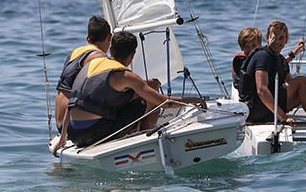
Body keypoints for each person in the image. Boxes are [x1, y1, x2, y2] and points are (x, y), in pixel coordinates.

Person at [56, 31, 205, 152]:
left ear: (111, 49)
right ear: (133, 54)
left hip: (74, 134)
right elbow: (163, 102)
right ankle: (145, 139)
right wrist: (193, 101)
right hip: (94, 135)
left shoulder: (92, 64)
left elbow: (73, 100)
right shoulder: (125, 75)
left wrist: (63, 138)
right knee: (142, 100)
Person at [241, 20, 306, 125]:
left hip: (267, 108)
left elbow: (293, 86)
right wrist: (284, 117)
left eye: (281, 38)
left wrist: (305, 90)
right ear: (267, 38)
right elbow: (262, 90)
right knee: (302, 81)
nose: (277, 41)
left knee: (305, 91)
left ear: (286, 40)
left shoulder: (280, 59)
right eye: (274, 37)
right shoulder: (262, 57)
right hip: (256, 111)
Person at [54, 16, 112, 135]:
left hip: (60, 123)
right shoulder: (99, 58)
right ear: (110, 37)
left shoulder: (76, 52)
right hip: (72, 125)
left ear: (88, 39)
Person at [231, 27, 262, 98]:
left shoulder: (263, 58)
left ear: (259, 45)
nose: (251, 49)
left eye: (254, 46)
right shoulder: (239, 60)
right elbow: (237, 81)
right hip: (247, 94)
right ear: (242, 47)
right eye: (247, 46)